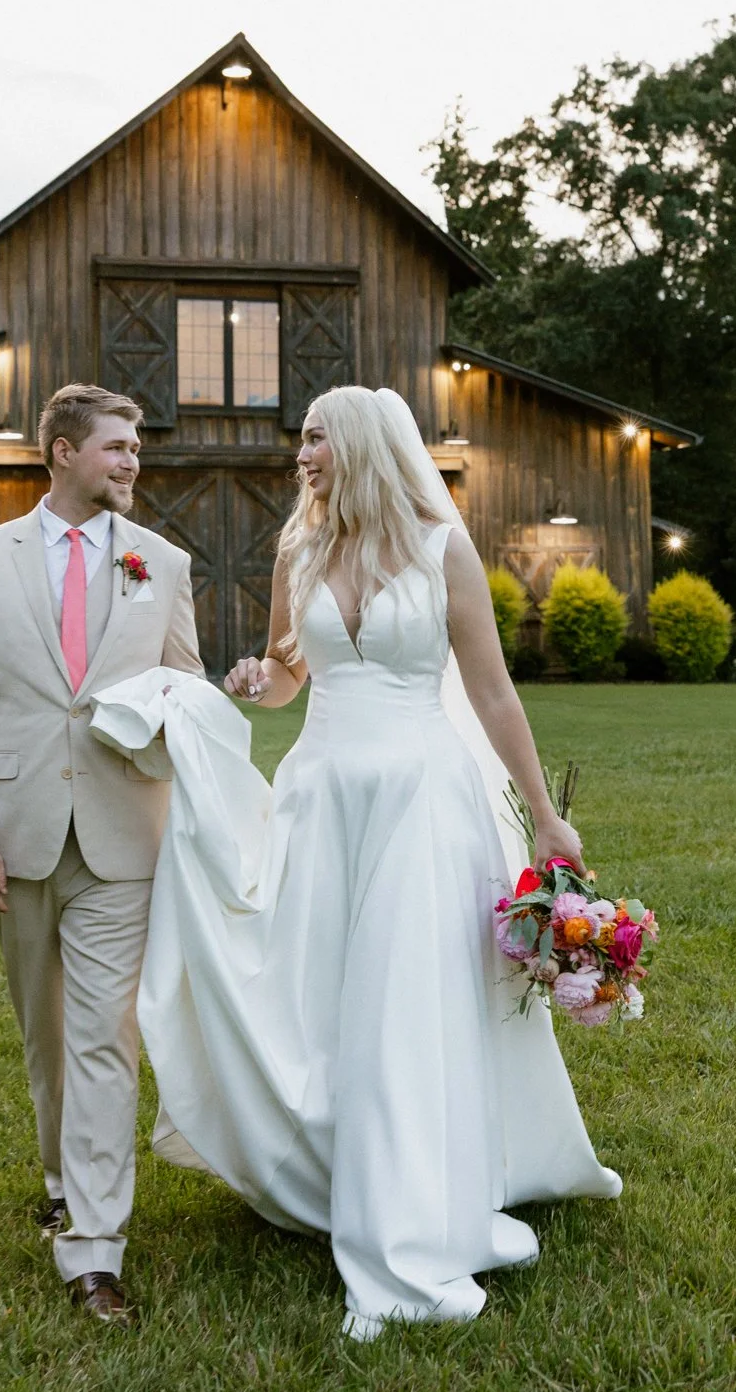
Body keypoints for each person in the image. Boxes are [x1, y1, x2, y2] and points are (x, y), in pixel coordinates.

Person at [104, 384, 621, 1341]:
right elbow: (286, 676)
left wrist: (544, 816)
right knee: (325, 992)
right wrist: (255, 682)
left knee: (403, 999)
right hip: (324, 794)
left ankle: (410, 1211)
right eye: (300, 439)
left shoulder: (440, 549)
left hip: (422, 799)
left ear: (359, 445)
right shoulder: (297, 550)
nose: (298, 454)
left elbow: (494, 695)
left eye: (312, 439)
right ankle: (337, 1166)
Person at [0, 383, 203, 1325]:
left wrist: (174, 716)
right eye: (117, 447)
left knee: (102, 1038)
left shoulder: (161, 563)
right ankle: (59, 1179)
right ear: (59, 451)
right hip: (16, 830)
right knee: (45, 1037)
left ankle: (92, 1249)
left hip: (127, 835)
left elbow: (186, 688)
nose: (132, 461)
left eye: (135, 448)